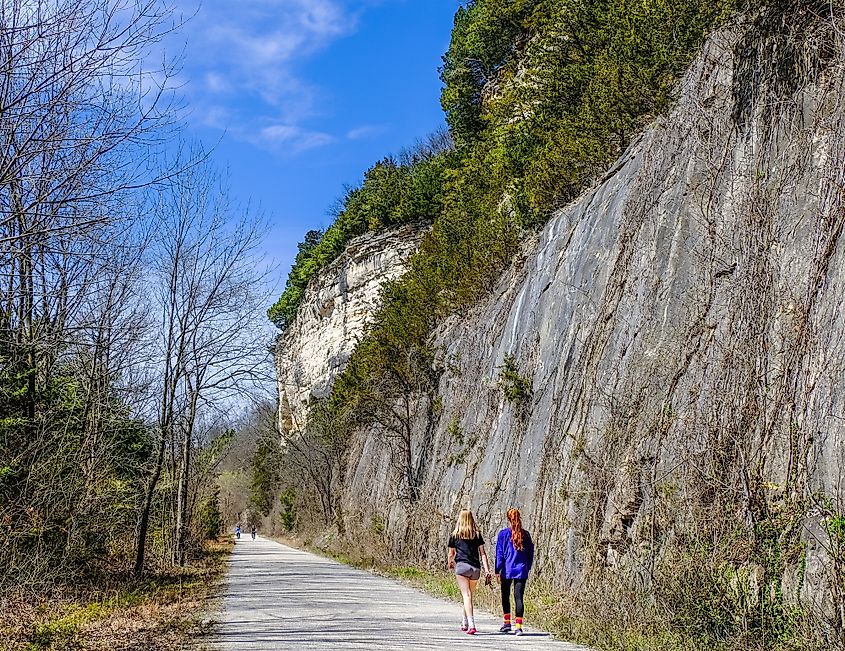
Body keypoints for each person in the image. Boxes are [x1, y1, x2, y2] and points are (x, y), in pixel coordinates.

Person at [447, 509, 491, 635]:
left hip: (462, 567)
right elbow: (483, 554)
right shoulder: (476, 534)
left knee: (466, 596)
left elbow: (451, 553)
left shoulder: (455, 535)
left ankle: (472, 624)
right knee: (469, 596)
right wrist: (487, 570)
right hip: (475, 569)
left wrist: (450, 562)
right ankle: (464, 621)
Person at [495, 508, 535, 635]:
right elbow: (530, 553)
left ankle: (507, 623)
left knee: (505, 596)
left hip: (507, 569)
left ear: (508, 519)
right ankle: (518, 626)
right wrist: (527, 567)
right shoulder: (526, 535)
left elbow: (500, 553)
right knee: (519, 598)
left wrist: (497, 569)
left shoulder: (503, 534)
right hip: (521, 570)